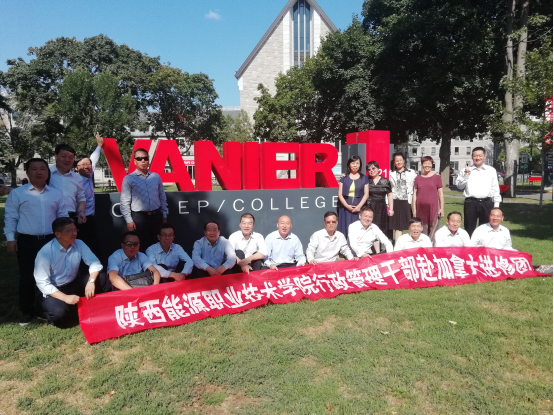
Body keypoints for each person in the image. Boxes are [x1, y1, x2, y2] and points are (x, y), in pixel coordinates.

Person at [4, 158, 68, 326]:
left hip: (50, 240)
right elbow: (10, 217)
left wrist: (65, 236)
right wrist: (10, 239)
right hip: (27, 241)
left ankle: (45, 309)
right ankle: (26, 311)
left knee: (50, 275)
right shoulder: (18, 194)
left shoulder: (56, 194)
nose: (39, 172)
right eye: (34, 169)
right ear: (27, 172)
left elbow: (62, 217)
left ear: (47, 172)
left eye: (42, 169)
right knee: (27, 277)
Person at [34, 217, 110, 327]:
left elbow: (95, 263)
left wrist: (91, 281)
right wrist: (65, 297)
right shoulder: (45, 253)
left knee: (102, 277)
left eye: (75, 230)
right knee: (60, 313)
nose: (74, 233)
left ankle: (100, 306)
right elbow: (43, 283)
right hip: (54, 290)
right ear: (58, 234)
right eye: (70, 231)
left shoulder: (79, 243)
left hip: (72, 283)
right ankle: (43, 312)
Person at [120, 148, 168, 251]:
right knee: (141, 246)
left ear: (148, 160)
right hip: (139, 218)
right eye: (139, 158)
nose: (143, 161)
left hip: (156, 216)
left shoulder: (156, 177)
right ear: (135, 161)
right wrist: (129, 220)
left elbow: (162, 197)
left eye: (145, 158)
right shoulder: (129, 179)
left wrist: (164, 215)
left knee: (157, 245)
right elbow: (124, 201)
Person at [456, 147, 501, 236]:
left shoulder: (491, 170)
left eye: (480, 156)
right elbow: (459, 186)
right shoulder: (465, 170)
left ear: (484, 157)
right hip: (471, 202)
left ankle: (484, 244)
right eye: (475, 156)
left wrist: (496, 205)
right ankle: (469, 244)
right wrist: (466, 175)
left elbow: (495, 188)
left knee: (486, 229)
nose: (478, 158)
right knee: (469, 228)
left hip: (486, 202)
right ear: (472, 157)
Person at [73, 132, 104, 257]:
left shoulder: (89, 175)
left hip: (90, 218)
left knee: (93, 245)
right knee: (80, 246)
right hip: (78, 219)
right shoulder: (73, 181)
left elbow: (94, 159)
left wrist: (99, 146)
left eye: (88, 164)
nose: (87, 167)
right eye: (83, 164)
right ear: (76, 168)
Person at [48, 144, 87, 224]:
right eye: (64, 156)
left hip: (70, 217)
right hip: (50, 216)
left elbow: (81, 198)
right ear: (56, 156)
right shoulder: (47, 174)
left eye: (71, 157)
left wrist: (81, 212)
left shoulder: (77, 178)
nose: (67, 160)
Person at [413, 156, 444, 240]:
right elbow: (415, 195)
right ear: (422, 165)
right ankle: (423, 245)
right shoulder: (418, 178)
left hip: (433, 208)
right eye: (425, 163)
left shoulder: (437, 177)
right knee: (422, 229)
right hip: (421, 208)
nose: (427, 165)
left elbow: (440, 194)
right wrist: (414, 209)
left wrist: (442, 208)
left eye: (429, 163)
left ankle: (431, 246)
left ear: (432, 165)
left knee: (433, 229)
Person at [337, 156, 369, 237]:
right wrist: (347, 206)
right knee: (345, 228)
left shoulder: (364, 178)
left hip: (359, 208)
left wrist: (359, 207)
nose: (355, 165)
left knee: (358, 230)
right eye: (353, 163)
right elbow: (340, 194)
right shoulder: (343, 178)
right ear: (349, 164)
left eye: (357, 163)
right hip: (345, 209)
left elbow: (366, 194)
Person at [389, 153, 417, 241]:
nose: (399, 162)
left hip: (406, 202)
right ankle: (397, 245)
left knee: (409, 225)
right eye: (397, 161)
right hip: (394, 202)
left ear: (404, 161)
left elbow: (418, 184)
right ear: (394, 162)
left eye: (400, 160)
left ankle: (410, 243)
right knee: (397, 227)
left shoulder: (411, 173)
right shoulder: (390, 173)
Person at [366, 161, 393, 240]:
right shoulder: (366, 181)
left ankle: (382, 245)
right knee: (369, 226)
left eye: (373, 168)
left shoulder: (386, 181)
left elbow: (390, 195)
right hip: (369, 206)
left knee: (382, 227)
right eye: (369, 169)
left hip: (381, 207)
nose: (371, 171)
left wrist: (391, 209)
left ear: (378, 169)